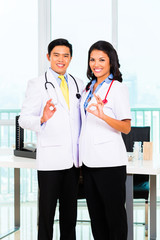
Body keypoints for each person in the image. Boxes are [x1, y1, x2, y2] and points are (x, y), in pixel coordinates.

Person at [19, 38, 84, 240]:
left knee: (69, 216)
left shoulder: (78, 83)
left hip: (73, 162)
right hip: (50, 162)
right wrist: (42, 118)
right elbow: (24, 120)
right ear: (48, 57)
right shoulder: (37, 84)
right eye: (56, 55)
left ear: (71, 58)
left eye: (65, 55)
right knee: (46, 216)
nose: (61, 59)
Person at [79, 40, 131, 240]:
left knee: (114, 217)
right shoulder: (88, 88)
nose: (96, 63)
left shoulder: (117, 88)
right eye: (92, 59)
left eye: (101, 59)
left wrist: (103, 116)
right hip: (89, 161)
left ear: (111, 62)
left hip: (110, 163)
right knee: (97, 217)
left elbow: (126, 127)